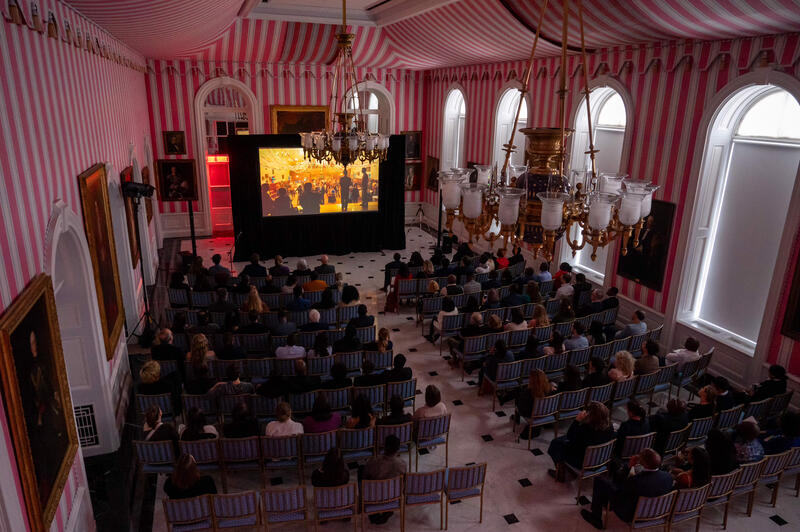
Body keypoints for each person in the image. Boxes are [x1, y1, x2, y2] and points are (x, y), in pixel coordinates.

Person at [581, 449, 674, 529]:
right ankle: (605, 502)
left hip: (631, 515)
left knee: (600, 481)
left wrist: (629, 467)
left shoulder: (636, 481)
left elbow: (619, 487)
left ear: (643, 463)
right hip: (657, 512)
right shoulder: (668, 477)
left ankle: (596, 518)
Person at [547, 402, 615, 480]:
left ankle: (560, 474)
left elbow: (570, 437)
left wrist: (577, 420)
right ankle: (565, 468)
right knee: (560, 441)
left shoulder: (585, 429)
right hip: (601, 461)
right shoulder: (610, 427)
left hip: (583, 462)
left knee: (555, 444)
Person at [362, 435, 406, 525]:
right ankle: (388, 509)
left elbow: (365, 477)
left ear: (384, 446)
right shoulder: (402, 464)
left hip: (375, 496)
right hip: (393, 495)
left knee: (361, 474)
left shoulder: (373, 461)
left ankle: (369, 506)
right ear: (398, 449)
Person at [516, 369, 556, 438]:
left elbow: (522, 407)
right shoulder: (549, 388)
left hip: (532, 414)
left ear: (532, 380)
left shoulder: (528, 392)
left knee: (517, 400)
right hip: (547, 412)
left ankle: (516, 418)